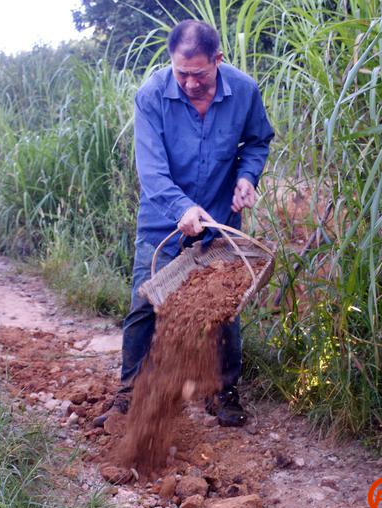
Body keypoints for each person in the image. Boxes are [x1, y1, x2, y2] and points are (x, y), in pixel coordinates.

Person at [95, 20, 274, 428]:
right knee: (145, 304)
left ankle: (223, 391)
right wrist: (182, 209)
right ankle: (129, 393)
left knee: (224, 309)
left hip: (220, 221)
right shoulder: (152, 96)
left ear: (218, 60)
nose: (191, 83)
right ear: (171, 63)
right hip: (164, 222)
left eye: (200, 74)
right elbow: (153, 172)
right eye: (182, 73)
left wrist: (248, 177)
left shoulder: (243, 90)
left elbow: (257, 141)